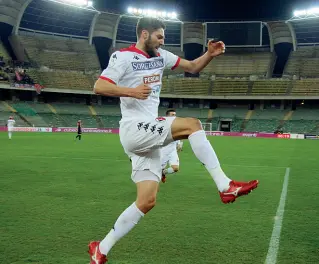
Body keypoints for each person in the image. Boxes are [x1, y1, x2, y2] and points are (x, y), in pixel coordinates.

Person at [89, 17, 259, 263]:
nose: (162, 41)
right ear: (144, 34)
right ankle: (225, 186)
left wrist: (209, 54)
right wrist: (132, 91)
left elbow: (192, 67)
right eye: (159, 36)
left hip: (146, 135)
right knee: (192, 124)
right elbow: (99, 86)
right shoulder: (122, 56)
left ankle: (100, 248)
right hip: (134, 127)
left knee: (146, 201)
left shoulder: (161, 56)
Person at [161, 108, 181, 183]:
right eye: (172, 115)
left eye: (175, 115)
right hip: (163, 150)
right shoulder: (162, 124)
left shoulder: (176, 125)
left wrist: (178, 143)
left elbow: (177, 135)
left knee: (175, 168)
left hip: (172, 151)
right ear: (167, 116)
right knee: (155, 170)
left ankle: (163, 173)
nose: (174, 117)